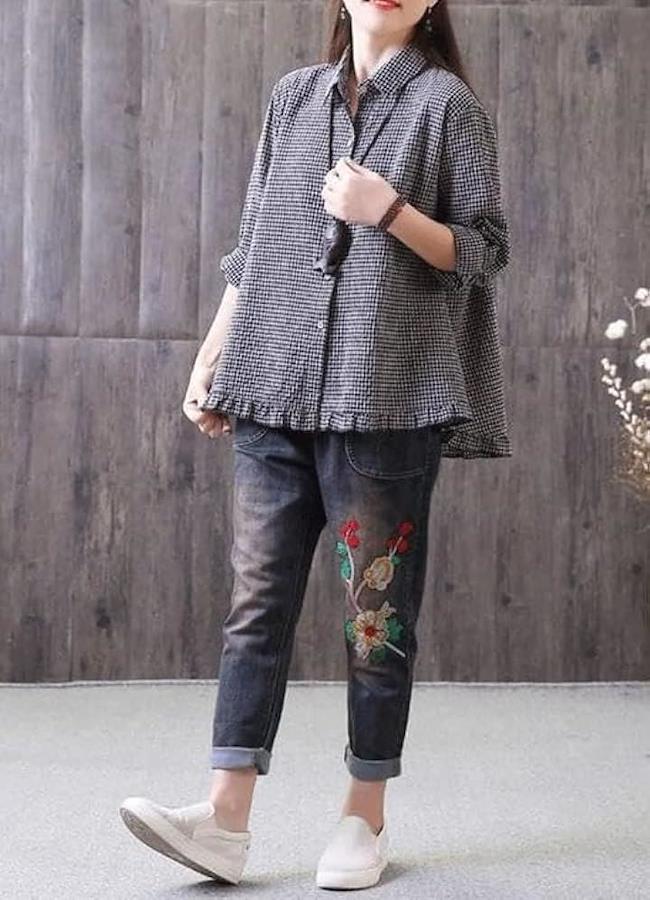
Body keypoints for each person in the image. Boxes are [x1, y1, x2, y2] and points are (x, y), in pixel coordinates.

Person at [119, 0, 511, 890]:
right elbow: (254, 245)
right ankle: (224, 820)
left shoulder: (448, 106)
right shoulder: (293, 97)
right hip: (274, 384)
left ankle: (363, 818)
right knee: (256, 604)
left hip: (385, 398)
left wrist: (390, 211)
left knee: (375, 622)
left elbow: (485, 250)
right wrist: (214, 357)